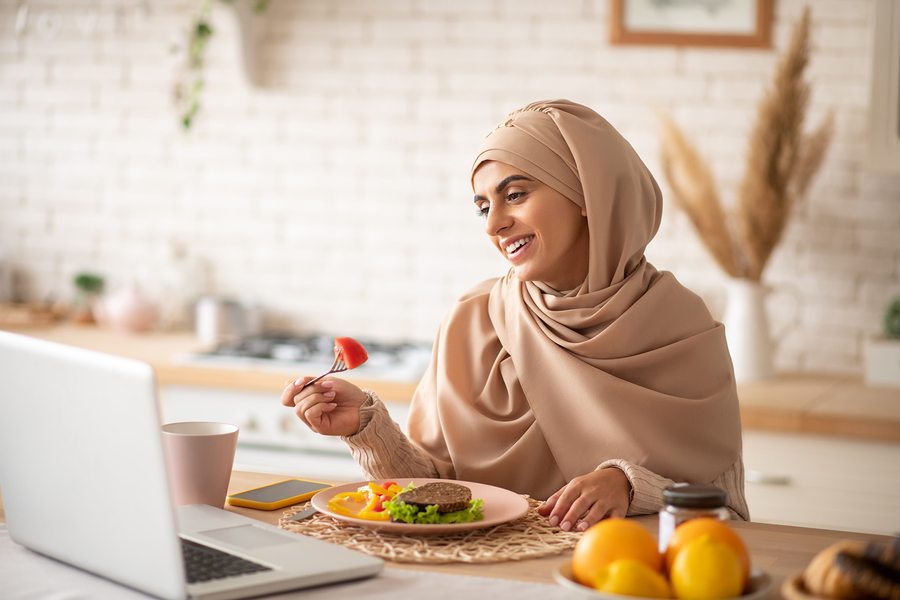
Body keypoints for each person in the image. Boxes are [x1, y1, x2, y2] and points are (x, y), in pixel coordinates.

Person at [281, 99, 749, 532]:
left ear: (589, 195)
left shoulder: (681, 327)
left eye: (516, 195)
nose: (493, 224)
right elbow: (430, 494)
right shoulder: (473, 321)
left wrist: (629, 486)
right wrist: (366, 427)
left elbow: (722, 510)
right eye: (483, 206)